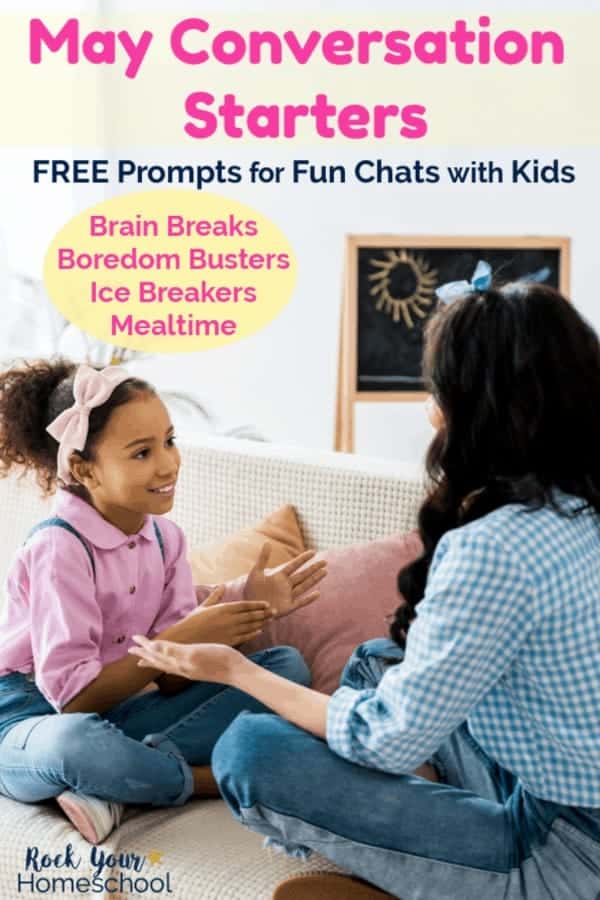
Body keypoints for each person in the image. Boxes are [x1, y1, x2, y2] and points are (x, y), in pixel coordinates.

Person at [131, 282, 600, 900]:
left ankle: (419, 866)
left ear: (470, 406)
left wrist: (236, 671)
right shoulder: (578, 506)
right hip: (554, 780)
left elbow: (386, 737)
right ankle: (421, 843)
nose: (429, 407)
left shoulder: (494, 546)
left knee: (249, 749)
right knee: (378, 662)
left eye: (436, 388)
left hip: (561, 850)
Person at [0, 360, 326, 845]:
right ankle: (202, 780)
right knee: (77, 746)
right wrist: (174, 641)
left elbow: (173, 680)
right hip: (31, 721)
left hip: (121, 716)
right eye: (141, 453)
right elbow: (72, 703)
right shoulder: (59, 548)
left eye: (169, 442)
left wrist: (239, 614)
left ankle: (120, 782)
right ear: (84, 469)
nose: (168, 464)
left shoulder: (165, 540)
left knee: (284, 668)